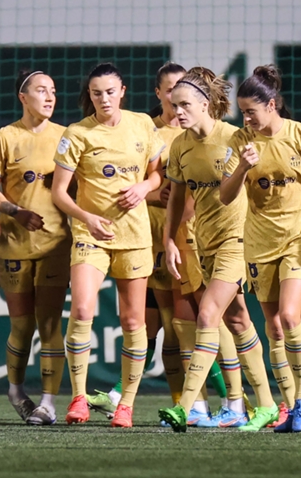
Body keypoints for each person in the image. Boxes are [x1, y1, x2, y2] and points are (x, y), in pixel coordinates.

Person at [86, 62, 226, 425]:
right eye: (169, 90)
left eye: (183, 92)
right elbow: (140, 185)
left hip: (189, 240)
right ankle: (180, 404)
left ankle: (228, 401)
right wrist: (148, 194)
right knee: (160, 329)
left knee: (198, 323)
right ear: (159, 94)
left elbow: (192, 188)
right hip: (145, 241)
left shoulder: (197, 134)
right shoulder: (147, 129)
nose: (176, 99)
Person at [220, 64, 301, 433]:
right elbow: (226, 196)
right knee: (276, 328)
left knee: (292, 318)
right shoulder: (241, 142)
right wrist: (241, 168)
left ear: (271, 105)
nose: (246, 118)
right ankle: (298, 405)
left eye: (251, 111)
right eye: (242, 112)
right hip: (260, 243)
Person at [157, 67, 279, 433]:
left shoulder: (235, 137)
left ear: (205, 104)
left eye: (184, 105)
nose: (177, 112)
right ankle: (267, 405)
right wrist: (169, 240)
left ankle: (187, 406)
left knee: (207, 315)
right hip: (205, 243)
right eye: (173, 105)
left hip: (238, 241)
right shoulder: (179, 146)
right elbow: (177, 197)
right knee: (238, 321)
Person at [51, 62, 164, 428]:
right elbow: (58, 193)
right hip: (91, 235)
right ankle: (79, 398)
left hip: (134, 237)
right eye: (97, 93)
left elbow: (157, 174)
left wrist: (143, 188)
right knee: (83, 310)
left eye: (110, 92)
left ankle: (126, 405)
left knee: (134, 321)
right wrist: (87, 218)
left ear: (123, 92)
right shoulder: (77, 133)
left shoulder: (143, 124)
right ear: (90, 96)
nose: (104, 99)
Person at [0, 70, 71, 425]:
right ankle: (16, 391)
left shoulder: (66, 136)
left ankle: (48, 403)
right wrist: (14, 211)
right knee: (21, 327)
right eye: (40, 90)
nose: (49, 97)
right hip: (15, 244)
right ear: (23, 97)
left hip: (55, 245)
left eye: (52, 90)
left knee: (50, 324)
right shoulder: (5, 137)